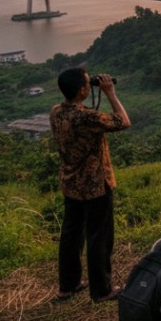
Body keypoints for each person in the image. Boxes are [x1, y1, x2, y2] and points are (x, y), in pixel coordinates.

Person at [50, 67, 131, 302]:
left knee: (71, 234)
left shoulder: (56, 112)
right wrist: (110, 93)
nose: (90, 84)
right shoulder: (87, 117)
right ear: (83, 90)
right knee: (99, 236)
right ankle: (103, 290)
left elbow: (73, 108)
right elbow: (124, 122)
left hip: (71, 183)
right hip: (95, 184)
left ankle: (68, 286)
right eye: (88, 83)